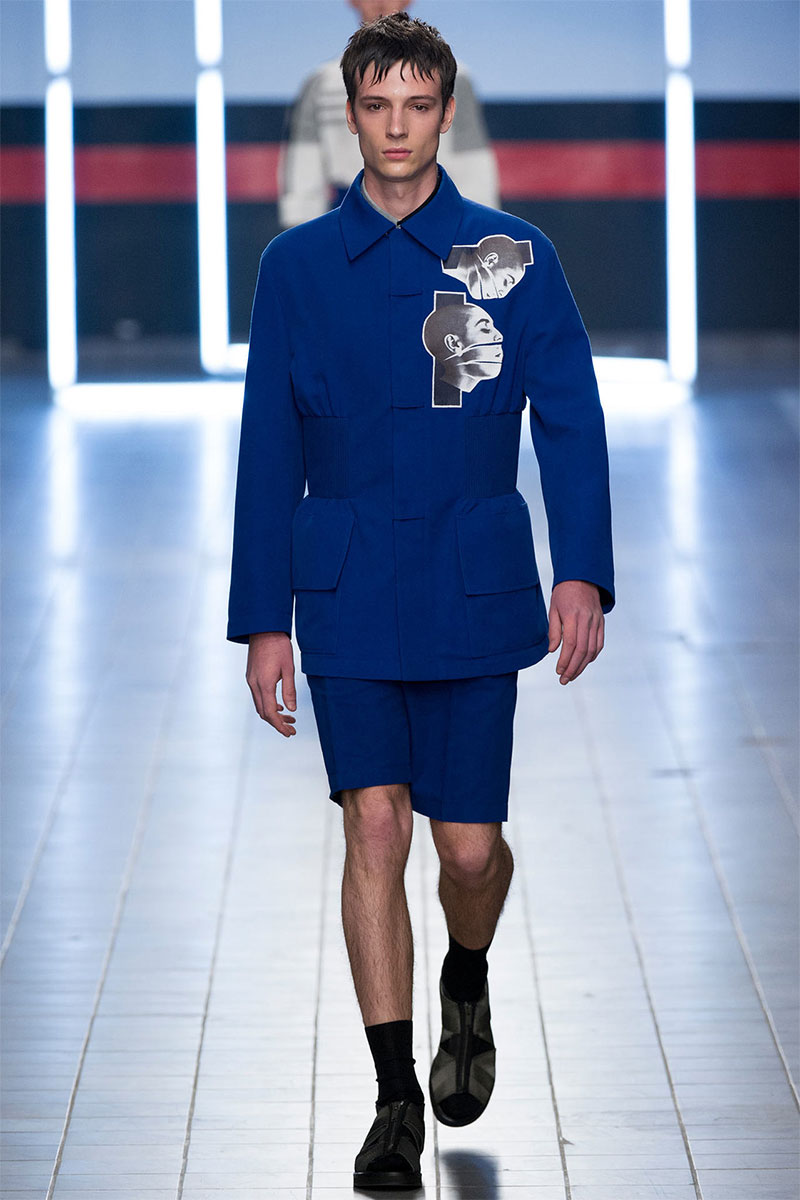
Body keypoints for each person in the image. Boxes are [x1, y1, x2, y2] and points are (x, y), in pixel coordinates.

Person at [228, 12, 614, 1191]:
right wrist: (263, 619)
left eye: (416, 105)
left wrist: (581, 569)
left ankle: (465, 973)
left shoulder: (513, 257)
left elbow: (570, 418)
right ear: (350, 116)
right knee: (374, 827)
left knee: (468, 848)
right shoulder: (295, 269)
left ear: (444, 113)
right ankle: (395, 1098)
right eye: (375, 105)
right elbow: (266, 446)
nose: (395, 127)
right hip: (346, 585)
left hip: (469, 580)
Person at [278, 0, 499, 228]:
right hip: (348, 220)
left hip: (437, 219)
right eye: (375, 106)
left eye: (419, 106)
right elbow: (304, 168)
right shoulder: (321, 83)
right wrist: (301, 233)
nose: (381, 2)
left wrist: (479, 231)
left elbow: (472, 163)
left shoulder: (454, 78)